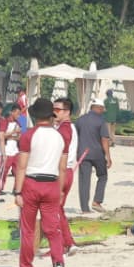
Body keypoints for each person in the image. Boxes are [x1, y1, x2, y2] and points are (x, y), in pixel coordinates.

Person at [13, 98, 68, 267]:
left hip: (31, 184)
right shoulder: (59, 137)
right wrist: (60, 191)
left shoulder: (29, 136)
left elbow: (22, 166)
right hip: (52, 184)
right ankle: (58, 265)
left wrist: (17, 192)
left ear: (35, 115)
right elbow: (62, 168)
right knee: (53, 229)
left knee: (28, 230)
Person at [75, 98, 112, 213]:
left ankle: (85, 208)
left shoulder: (80, 120)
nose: (103, 111)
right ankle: (97, 201)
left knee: (84, 180)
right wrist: (108, 156)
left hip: (83, 154)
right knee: (102, 176)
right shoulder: (101, 121)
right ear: (99, 108)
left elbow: (75, 137)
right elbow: (104, 139)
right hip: (97, 154)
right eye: (102, 109)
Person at [52, 98, 80, 253]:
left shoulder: (64, 130)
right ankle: (66, 243)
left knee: (54, 210)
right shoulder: (67, 127)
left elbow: (61, 154)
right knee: (58, 210)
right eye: (53, 109)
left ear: (67, 112)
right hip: (66, 171)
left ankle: (66, 243)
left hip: (61, 172)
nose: (54, 112)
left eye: (58, 110)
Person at [0, 104, 24, 195]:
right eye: (17, 113)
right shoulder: (5, 122)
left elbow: (20, 136)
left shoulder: (18, 123)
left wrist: (13, 136)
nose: (18, 115)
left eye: (19, 114)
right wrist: (13, 133)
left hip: (15, 150)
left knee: (18, 170)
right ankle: (0, 188)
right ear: (12, 112)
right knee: (4, 171)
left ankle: (16, 189)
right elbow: (2, 135)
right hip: (7, 150)